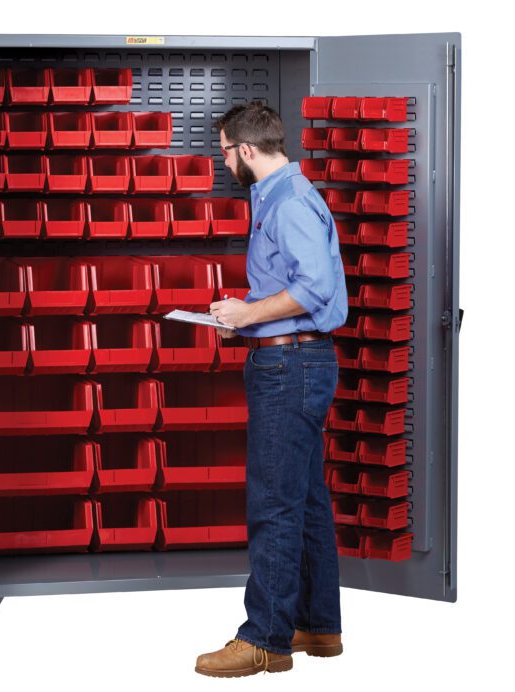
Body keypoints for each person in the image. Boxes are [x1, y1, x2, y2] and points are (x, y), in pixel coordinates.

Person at [194, 102, 348, 677]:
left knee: (273, 505)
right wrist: (244, 317)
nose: (223, 159)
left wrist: (248, 311)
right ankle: (318, 625)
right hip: (292, 361)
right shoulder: (277, 196)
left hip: (290, 368)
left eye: (225, 150)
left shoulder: (289, 203)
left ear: (246, 150)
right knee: (306, 501)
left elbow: (314, 288)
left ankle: (265, 639)